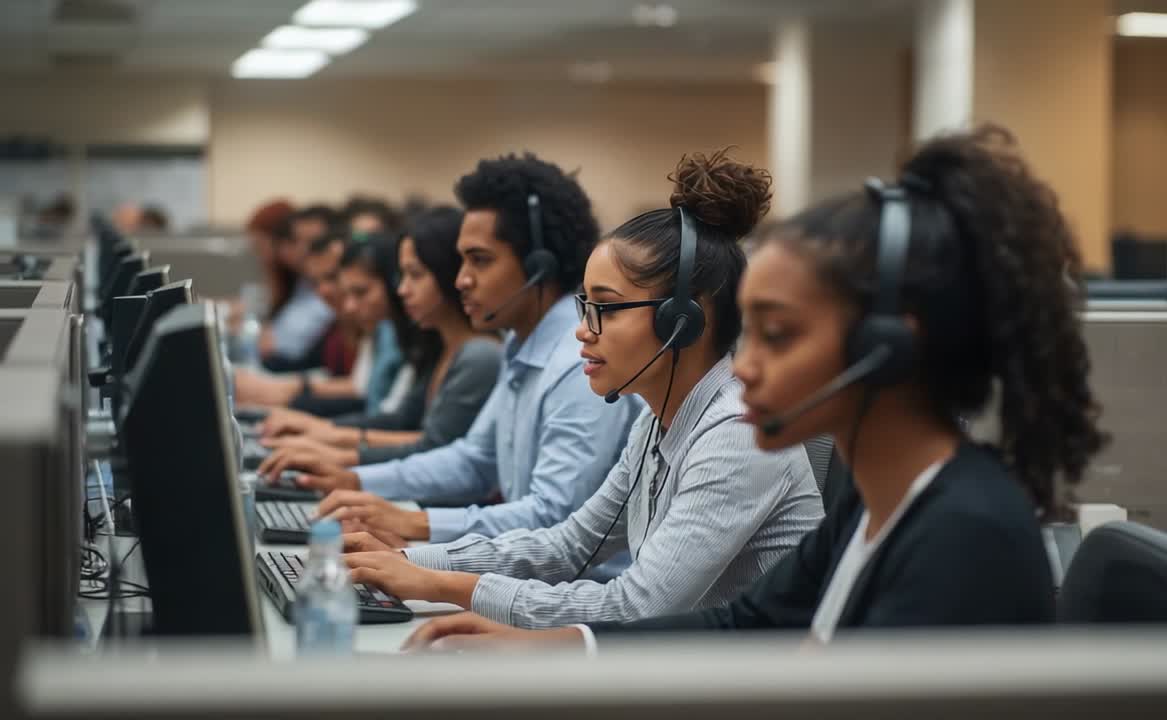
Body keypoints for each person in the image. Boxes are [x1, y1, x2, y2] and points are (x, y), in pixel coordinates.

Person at [405, 125, 1108, 651]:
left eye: (777, 334)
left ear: (886, 346)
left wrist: (465, 595)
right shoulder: (874, 500)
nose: (742, 368)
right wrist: (549, 644)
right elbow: (747, 620)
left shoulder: (964, 533)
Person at [327, 150, 824, 629]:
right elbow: (570, 544)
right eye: (585, 307)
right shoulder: (655, 424)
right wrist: (408, 561)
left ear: (682, 320)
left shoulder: (737, 434)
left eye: (604, 308)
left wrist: (443, 584)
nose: (583, 330)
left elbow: (638, 606)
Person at [275, 153, 643, 553]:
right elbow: (474, 460)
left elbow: (552, 517)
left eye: (479, 260)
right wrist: (356, 481)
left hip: (572, 586)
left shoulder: (577, 363)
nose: (461, 280)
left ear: (540, 266)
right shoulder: (522, 345)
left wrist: (413, 524)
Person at [257, 207, 501, 468]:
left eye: (415, 275)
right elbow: (401, 420)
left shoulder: (480, 355)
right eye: (402, 276)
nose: (402, 290)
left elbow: (434, 447)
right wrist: (322, 431)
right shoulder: (439, 346)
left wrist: (335, 448)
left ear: (446, 274)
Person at [237, 233, 410, 413]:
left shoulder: (387, 328)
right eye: (315, 282)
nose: (323, 290)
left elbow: (364, 393)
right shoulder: (353, 325)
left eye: (332, 277)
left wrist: (289, 397)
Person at [260, 205, 340, 365]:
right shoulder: (301, 282)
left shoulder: (336, 291)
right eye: (297, 240)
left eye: (313, 242)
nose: (302, 250)